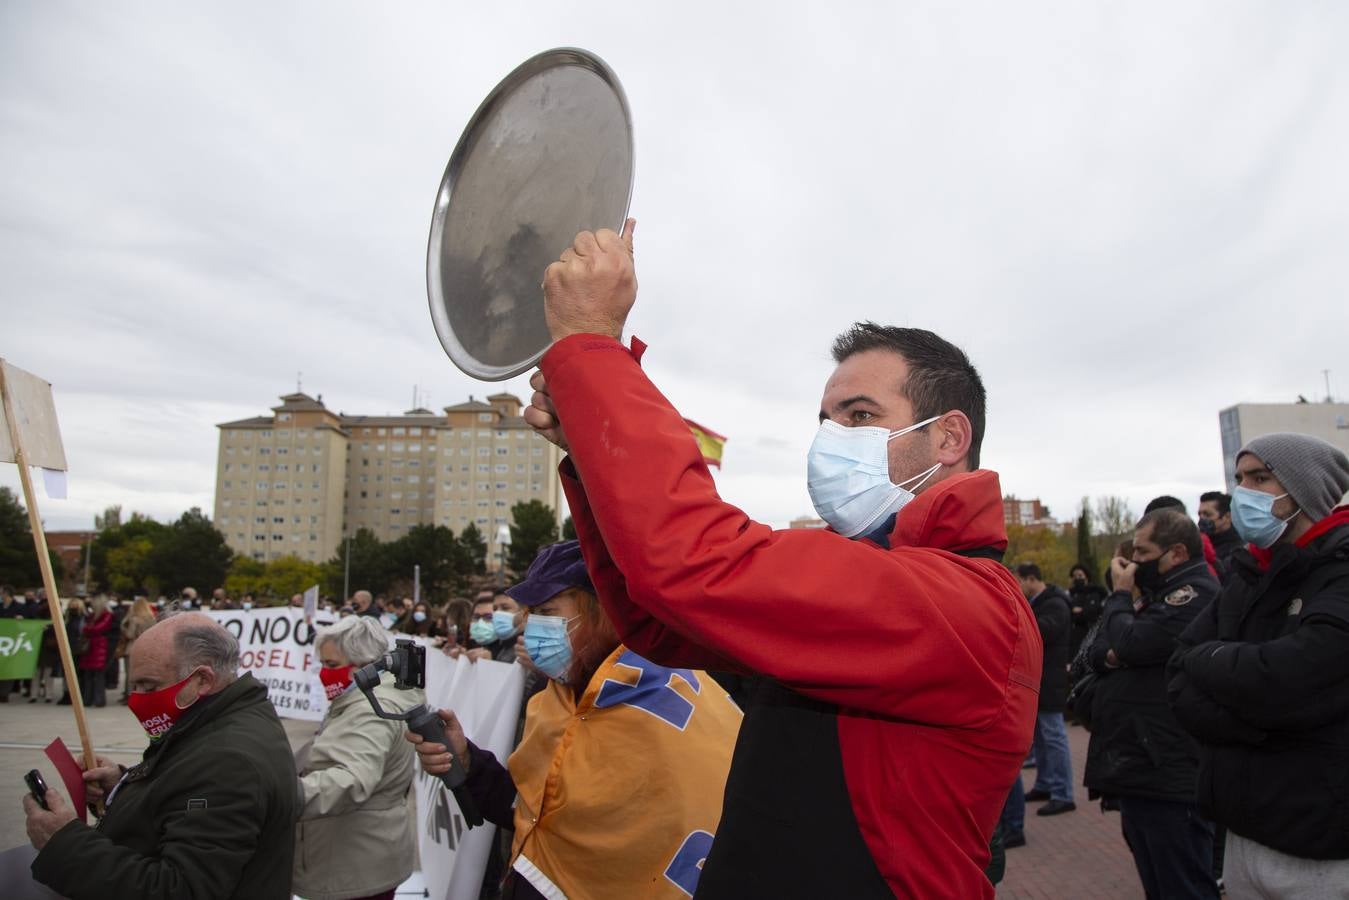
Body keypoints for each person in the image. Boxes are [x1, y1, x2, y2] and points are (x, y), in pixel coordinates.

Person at [520, 222, 1041, 897]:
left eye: (858, 415)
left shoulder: (968, 602)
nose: (830, 439)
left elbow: (698, 562)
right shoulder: (878, 573)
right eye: (824, 420)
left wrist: (591, 351)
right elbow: (662, 620)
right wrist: (593, 453)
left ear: (947, 436)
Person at [408, 541, 741, 900]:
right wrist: (470, 763)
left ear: (601, 610)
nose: (531, 627)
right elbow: (535, 814)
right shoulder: (555, 697)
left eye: (547, 611)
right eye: (531, 612)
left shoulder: (660, 704)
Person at [1169, 433, 1349, 896]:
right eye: (1240, 478)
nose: (1242, 491)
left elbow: (1292, 678)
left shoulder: (1339, 570)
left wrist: (1215, 670)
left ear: (1304, 490)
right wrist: (1261, 721)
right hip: (1242, 833)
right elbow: (1178, 674)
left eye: (1261, 478)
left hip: (1322, 846)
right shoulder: (1250, 572)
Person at [22, 612, 298, 899]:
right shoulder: (226, 718)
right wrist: (123, 786)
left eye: (149, 686)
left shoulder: (229, 762)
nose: (137, 699)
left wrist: (63, 843)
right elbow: (183, 791)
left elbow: (180, 889)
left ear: (202, 679)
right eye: (134, 686)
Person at [1084, 509, 1219, 900]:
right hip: (1144, 768)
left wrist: (1121, 596)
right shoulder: (1158, 597)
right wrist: (1118, 644)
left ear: (1176, 553)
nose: (1132, 562)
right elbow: (1098, 650)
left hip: (1169, 769)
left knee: (1182, 882)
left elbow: (1127, 643)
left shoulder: (1193, 595)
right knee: (1159, 881)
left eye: (1142, 552)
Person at [293, 616, 420, 900]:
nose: (324, 674)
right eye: (323, 664)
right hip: (364, 855)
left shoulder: (370, 709)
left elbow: (351, 779)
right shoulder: (378, 694)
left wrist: (280, 795)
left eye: (333, 665)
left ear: (364, 664)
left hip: (352, 863)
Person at [1014, 564, 1076, 816]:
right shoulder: (1043, 603)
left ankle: (1063, 793)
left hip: (1050, 680)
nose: (1018, 586)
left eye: (1019, 581)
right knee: (1040, 736)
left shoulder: (1055, 604)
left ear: (1031, 579)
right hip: (1040, 681)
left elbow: (1041, 630)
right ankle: (1045, 783)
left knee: (1053, 736)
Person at [117, 597, 158, 704]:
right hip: (147, 648)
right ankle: (144, 694)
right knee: (145, 674)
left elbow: (130, 634)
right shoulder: (152, 618)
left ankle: (130, 695)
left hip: (133, 648)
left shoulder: (134, 619)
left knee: (130, 674)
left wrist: (124, 626)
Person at [1067, 562, 1108, 662]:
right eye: (1075, 576)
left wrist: (1079, 611)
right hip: (1073, 639)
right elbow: (1068, 614)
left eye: (1080, 575)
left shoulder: (1095, 593)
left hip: (1089, 636)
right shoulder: (1069, 595)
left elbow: (1091, 613)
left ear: (1086, 576)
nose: (1077, 578)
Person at [1197, 491, 1242, 580]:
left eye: (1207, 515)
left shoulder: (1239, 549)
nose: (1201, 519)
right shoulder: (1198, 547)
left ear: (1227, 517)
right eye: (1200, 515)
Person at [78, 595, 114, 707]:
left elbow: (99, 628)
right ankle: (88, 699)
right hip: (92, 647)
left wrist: (86, 629)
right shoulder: (93, 616)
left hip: (98, 647)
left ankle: (98, 700)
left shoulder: (106, 615)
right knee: (88, 675)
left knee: (98, 676)